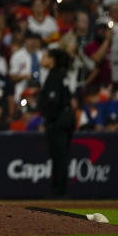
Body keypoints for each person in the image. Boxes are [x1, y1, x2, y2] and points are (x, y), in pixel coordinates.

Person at [39, 48, 74, 197]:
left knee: (59, 157)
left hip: (58, 121)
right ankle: (59, 191)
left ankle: (59, 193)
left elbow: (53, 101)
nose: (42, 59)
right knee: (61, 157)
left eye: (45, 57)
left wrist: (49, 120)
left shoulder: (54, 76)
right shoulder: (61, 74)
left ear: (52, 60)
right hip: (66, 118)